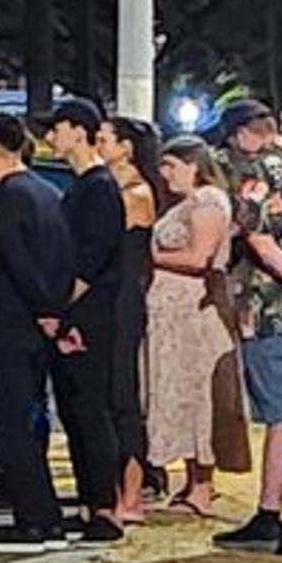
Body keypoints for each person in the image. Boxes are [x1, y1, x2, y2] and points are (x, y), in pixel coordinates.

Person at [212, 99, 282, 553]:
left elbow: (258, 240)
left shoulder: (251, 173)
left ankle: (273, 512)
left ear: (239, 134)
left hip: (267, 306)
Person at [0, 116, 75, 554]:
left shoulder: (7, 196)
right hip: (37, 321)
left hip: (8, 318)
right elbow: (61, 255)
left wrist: (42, 306)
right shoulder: (47, 192)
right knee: (32, 417)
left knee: (10, 420)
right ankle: (44, 514)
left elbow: (15, 258)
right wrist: (55, 308)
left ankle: (31, 517)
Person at [146, 136, 248, 518]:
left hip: (193, 313)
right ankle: (192, 479)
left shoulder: (207, 202)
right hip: (172, 314)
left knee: (199, 394)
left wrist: (150, 256)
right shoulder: (186, 204)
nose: (165, 174)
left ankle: (203, 484)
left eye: (171, 165)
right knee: (181, 391)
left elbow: (199, 257)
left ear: (193, 165)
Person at [41, 97, 125, 544]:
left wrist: (61, 309)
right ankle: (90, 502)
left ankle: (105, 507)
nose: (49, 137)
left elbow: (92, 258)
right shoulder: (80, 186)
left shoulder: (99, 188)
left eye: (56, 128)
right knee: (74, 411)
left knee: (90, 410)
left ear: (78, 131)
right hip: (73, 312)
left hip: (88, 315)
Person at [97, 116, 161, 525]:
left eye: (103, 139)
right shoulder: (107, 187)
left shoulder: (135, 193)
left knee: (123, 394)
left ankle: (132, 491)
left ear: (126, 148)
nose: (97, 145)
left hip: (123, 298)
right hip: (107, 296)